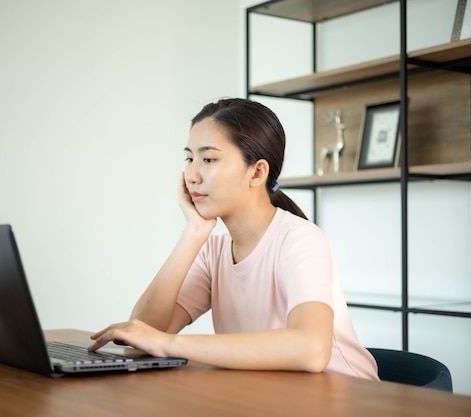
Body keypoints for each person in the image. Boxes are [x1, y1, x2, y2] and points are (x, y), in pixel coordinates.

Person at [89, 98, 378, 378]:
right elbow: (144, 333)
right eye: (189, 158)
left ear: (257, 172)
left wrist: (168, 344)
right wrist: (193, 233)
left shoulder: (300, 239)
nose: (191, 174)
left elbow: (311, 350)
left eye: (209, 159)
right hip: (273, 396)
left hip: (346, 397)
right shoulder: (214, 250)